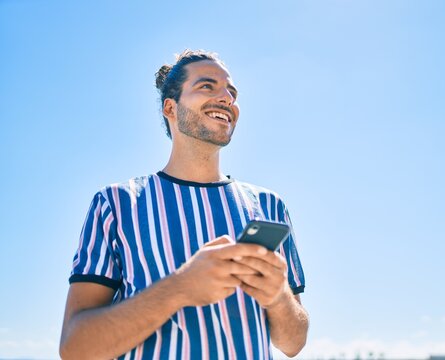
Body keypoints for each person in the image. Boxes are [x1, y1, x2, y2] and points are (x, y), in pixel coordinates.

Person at [59, 49, 309, 360]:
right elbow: (75, 348)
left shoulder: (270, 207)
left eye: (232, 92)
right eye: (207, 86)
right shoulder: (115, 204)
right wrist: (180, 288)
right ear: (170, 107)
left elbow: (294, 343)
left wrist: (278, 297)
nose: (227, 99)